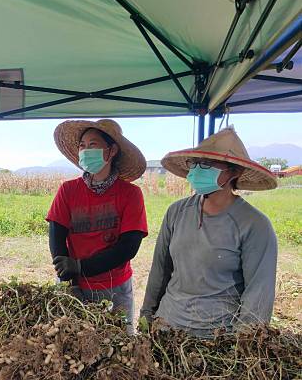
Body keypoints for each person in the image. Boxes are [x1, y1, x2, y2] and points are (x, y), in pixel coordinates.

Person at [141, 127, 278, 337]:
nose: (196, 170)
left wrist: (243, 346)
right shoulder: (177, 212)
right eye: (194, 163)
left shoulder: (254, 225)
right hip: (166, 328)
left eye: (206, 164)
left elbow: (258, 295)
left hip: (216, 337)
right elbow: (160, 270)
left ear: (235, 172)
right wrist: (146, 316)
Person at [46, 119, 148, 332]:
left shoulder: (130, 194)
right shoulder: (68, 190)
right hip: (74, 285)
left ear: (111, 151)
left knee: (118, 347)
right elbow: (56, 237)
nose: (85, 150)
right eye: (82, 145)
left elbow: (128, 247)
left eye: (92, 145)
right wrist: (70, 281)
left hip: (114, 288)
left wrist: (82, 266)